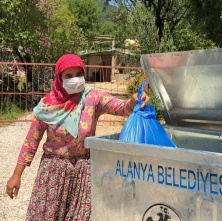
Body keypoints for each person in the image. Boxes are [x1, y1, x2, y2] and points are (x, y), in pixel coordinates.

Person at [6, 54, 150, 220]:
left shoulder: (92, 98)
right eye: (68, 76)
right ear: (59, 78)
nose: (75, 79)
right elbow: (31, 142)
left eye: (78, 75)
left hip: (84, 171)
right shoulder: (46, 107)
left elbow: (121, 108)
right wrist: (17, 175)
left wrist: (134, 101)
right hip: (53, 172)